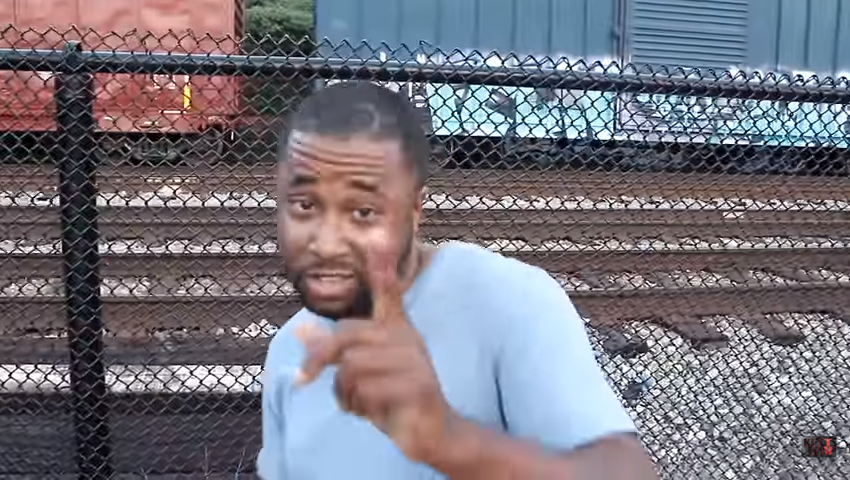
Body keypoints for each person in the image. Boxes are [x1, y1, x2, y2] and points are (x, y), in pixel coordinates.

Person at [257, 80, 658, 479]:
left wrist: (450, 443)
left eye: (363, 211)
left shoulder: (509, 303)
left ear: (414, 210)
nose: (327, 242)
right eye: (304, 205)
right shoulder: (288, 350)